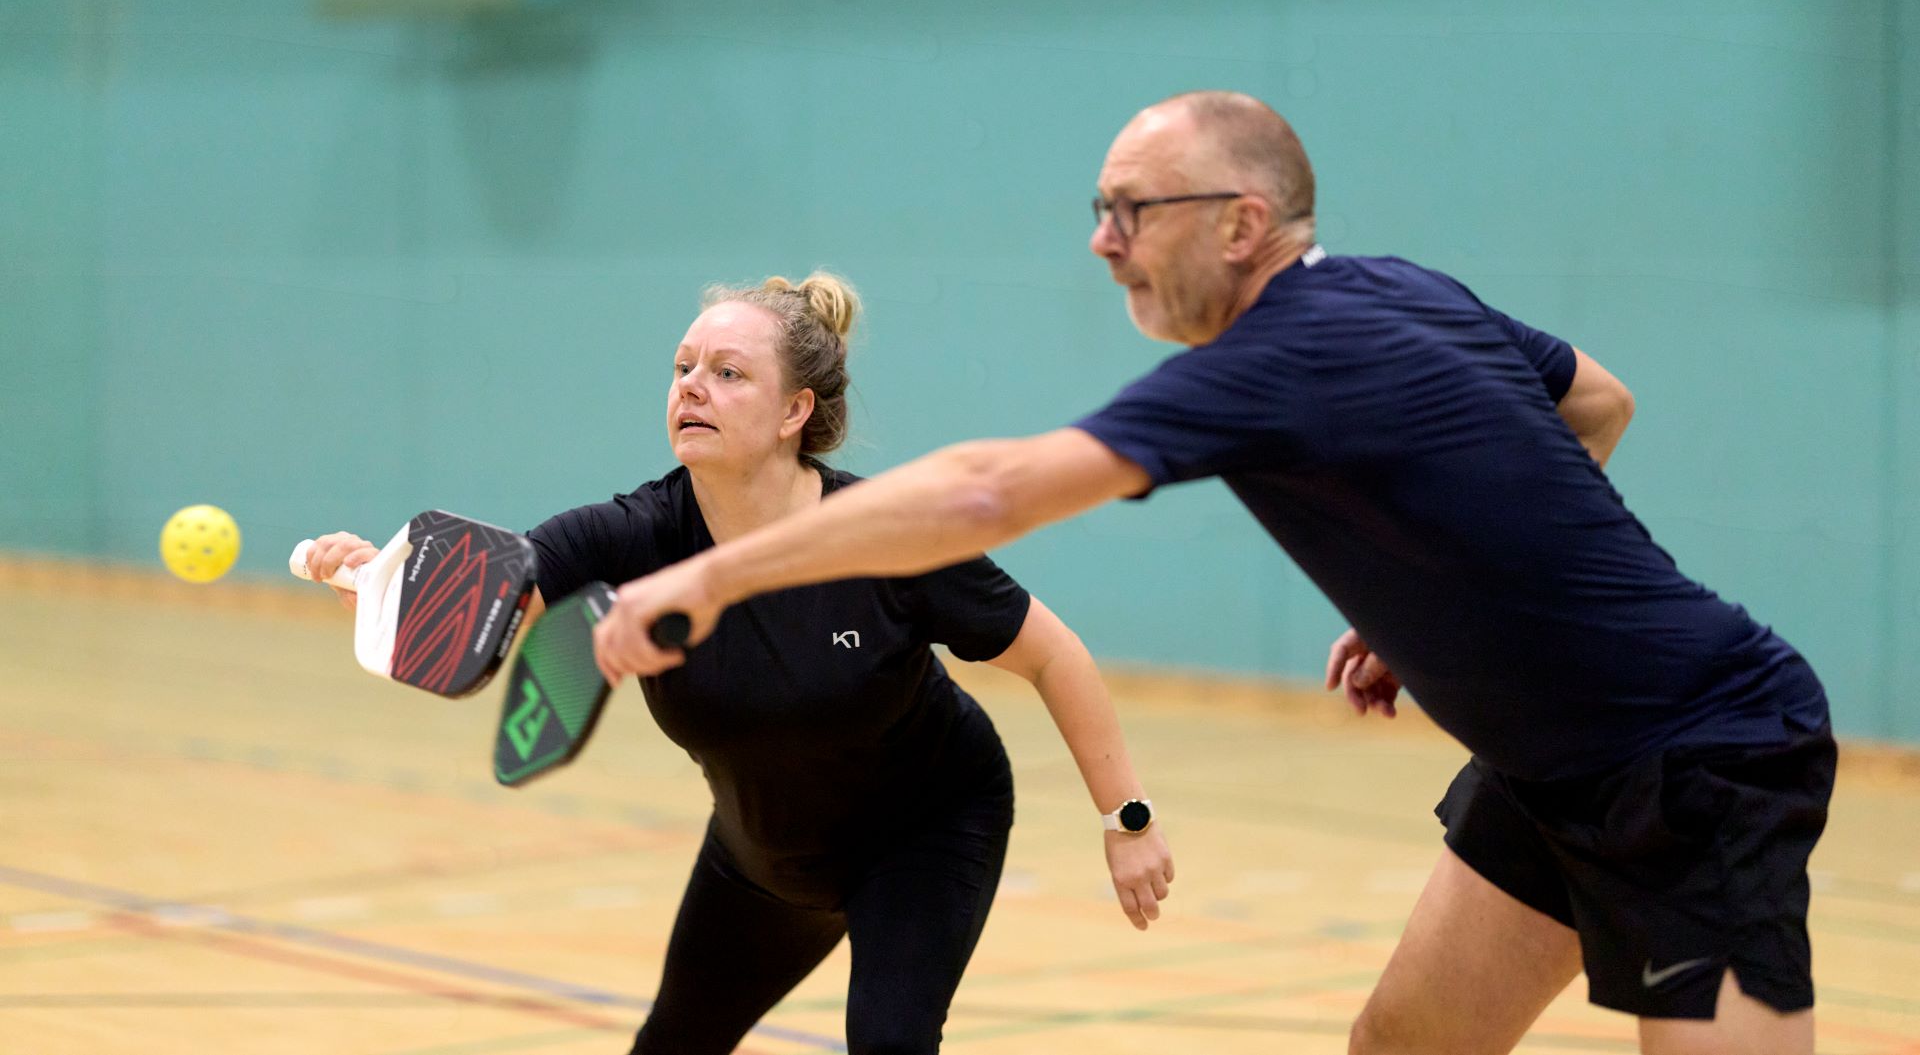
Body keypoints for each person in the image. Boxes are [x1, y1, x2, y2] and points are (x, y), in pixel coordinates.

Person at [594, 94, 1835, 1055]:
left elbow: (983, 492)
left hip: (1697, 756)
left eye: (1134, 211)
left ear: (1242, 223)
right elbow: (1599, 403)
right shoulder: (1402, 291)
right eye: (1100, 207)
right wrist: (1452, 610)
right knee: (1401, 1046)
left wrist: (717, 578)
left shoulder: (1280, 356)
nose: (1102, 240)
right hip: (1548, 772)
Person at [300, 272, 1174, 1055]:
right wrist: (380, 587)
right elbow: (494, 604)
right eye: (683, 367)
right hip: (765, 852)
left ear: (795, 410)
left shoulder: (893, 537)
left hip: (925, 829)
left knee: (890, 1041)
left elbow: (1054, 655)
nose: (692, 386)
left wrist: (1125, 819)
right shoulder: (633, 536)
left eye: (727, 372)